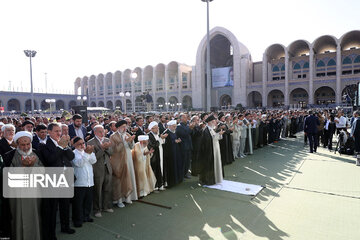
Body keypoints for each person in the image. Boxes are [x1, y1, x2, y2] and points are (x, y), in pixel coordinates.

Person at [3, 131, 43, 240]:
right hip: (17, 195)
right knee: (18, 218)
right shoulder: (9, 156)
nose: (25, 147)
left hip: (34, 194)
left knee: (34, 217)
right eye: (22, 144)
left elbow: (43, 172)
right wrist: (23, 168)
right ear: (17, 144)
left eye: (28, 144)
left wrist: (32, 166)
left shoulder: (37, 154)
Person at [39, 122, 75, 239]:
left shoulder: (63, 143)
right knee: (52, 209)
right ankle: (51, 233)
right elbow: (50, 160)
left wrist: (65, 145)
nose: (59, 133)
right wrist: (60, 147)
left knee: (65, 205)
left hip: (66, 178)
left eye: (60, 131)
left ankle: (65, 227)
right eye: (56, 131)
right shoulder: (44, 145)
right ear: (49, 132)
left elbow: (71, 157)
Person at [88, 125, 114, 216]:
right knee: (97, 190)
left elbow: (111, 153)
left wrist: (106, 148)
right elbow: (94, 158)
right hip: (97, 169)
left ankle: (106, 206)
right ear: (95, 132)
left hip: (108, 168)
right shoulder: (90, 142)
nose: (102, 133)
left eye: (103, 131)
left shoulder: (107, 140)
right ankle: (97, 209)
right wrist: (102, 148)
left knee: (107, 188)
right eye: (100, 132)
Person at [110, 120, 136, 208]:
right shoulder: (113, 136)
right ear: (118, 128)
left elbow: (132, 147)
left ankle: (127, 198)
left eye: (126, 127)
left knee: (128, 177)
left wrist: (130, 141)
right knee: (119, 180)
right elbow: (113, 150)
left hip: (128, 159)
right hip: (118, 161)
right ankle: (119, 200)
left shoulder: (127, 134)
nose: (125, 128)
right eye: (123, 127)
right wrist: (124, 142)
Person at [71, 137, 96, 227]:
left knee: (88, 201)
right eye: (79, 144)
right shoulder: (73, 153)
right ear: (74, 145)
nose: (82, 145)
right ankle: (77, 220)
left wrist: (89, 153)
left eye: (83, 143)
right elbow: (79, 164)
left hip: (89, 181)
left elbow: (94, 161)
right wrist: (87, 153)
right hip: (79, 182)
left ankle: (86, 216)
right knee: (78, 203)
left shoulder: (87, 151)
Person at [198, 115, 224, 185]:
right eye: (214, 122)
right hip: (209, 152)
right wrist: (218, 135)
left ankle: (215, 179)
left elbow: (214, 138)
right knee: (209, 166)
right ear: (210, 122)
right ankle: (208, 180)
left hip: (214, 149)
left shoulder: (211, 129)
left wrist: (219, 135)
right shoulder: (206, 130)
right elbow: (208, 141)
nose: (215, 123)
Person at [163, 120, 183, 187]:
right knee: (171, 166)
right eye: (174, 127)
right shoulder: (166, 132)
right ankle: (171, 182)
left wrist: (178, 140)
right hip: (170, 153)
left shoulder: (174, 131)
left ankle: (177, 179)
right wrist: (174, 141)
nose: (175, 128)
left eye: (175, 126)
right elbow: (166, 143)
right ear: (170, 126)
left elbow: (176, 138)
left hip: (176, 151)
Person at [148, 121, 167, 190]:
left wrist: (162, 138)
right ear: (151, 129)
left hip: (160, 154)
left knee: (161, 168)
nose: (157, 129)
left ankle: (160, 184)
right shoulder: (149, 136)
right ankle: (155, 185)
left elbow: (162, 143)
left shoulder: (158, 134)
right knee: (155, 170)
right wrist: (161, 139)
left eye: (157, 128)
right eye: (155, 128)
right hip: (154, 156)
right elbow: (153, 146)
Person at [176, 113, 193, 178]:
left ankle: (185, 173)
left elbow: (190, 133)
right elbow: (184, 134)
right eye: (185, 117)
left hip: (188, 146)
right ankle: (182, 175)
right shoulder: (179, 126)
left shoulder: (187, 125)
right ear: (181, 119)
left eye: (186, 117)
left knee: (187, 161)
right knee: (183, 161)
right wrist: (190, 128)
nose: (186, 119)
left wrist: (191, 128)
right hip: (183, 146)